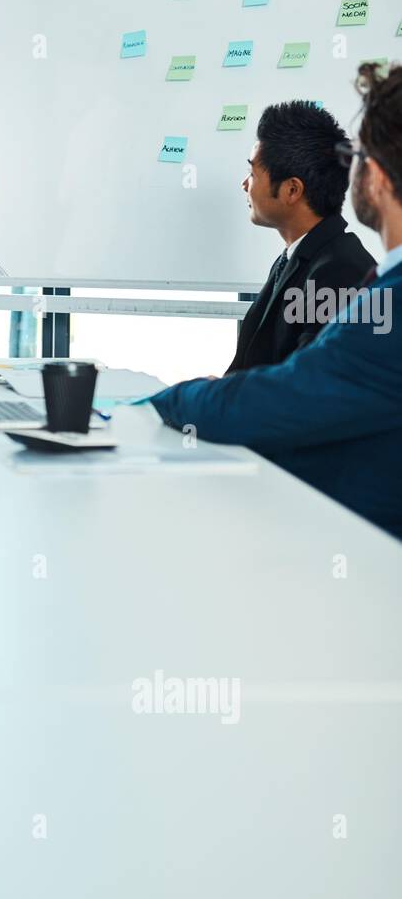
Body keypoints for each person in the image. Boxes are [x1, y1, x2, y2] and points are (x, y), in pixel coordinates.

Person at [151, 63, 402, 541]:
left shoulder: (357, 282)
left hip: (326, 534)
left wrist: (161, 401)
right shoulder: (307, 261)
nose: (354, 170)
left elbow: (292, 398)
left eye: (364, 157)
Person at [229, 101, 375, 372]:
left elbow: (308, 389)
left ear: (292, 190)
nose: (245, 184)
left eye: (252, 173)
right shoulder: (298, 256)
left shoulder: (340, 271)